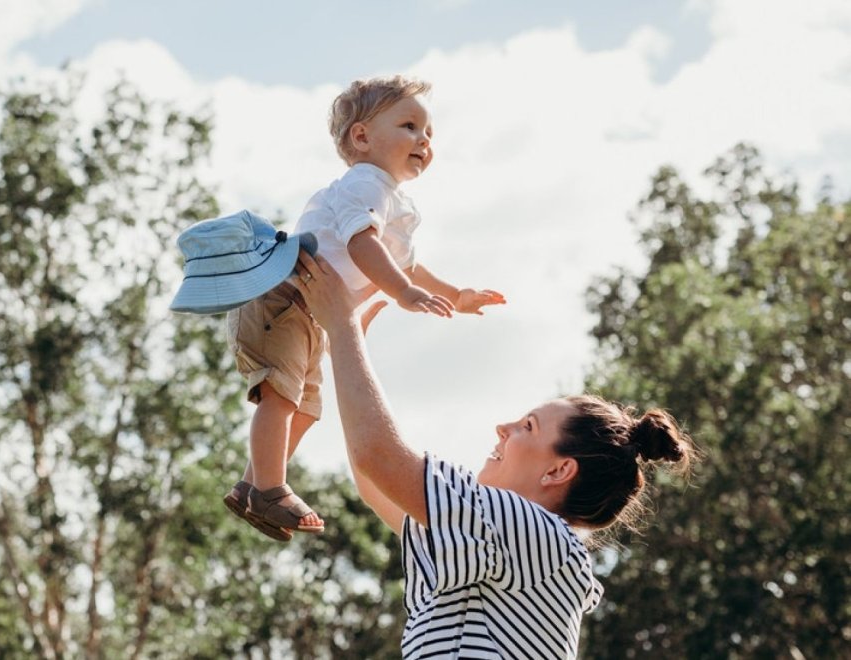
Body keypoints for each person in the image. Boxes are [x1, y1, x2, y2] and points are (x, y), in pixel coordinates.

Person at [290, 251, 698, 658]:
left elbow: (378, 458)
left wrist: (342, 327)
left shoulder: (537, 532)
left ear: (558, 470)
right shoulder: (518, 545)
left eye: (528, 427)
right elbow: (376, 480)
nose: (503, 429)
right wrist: (344, 348)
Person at [222, 75, 506, 541]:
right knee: (281, 395)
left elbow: (408, 265)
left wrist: (456, 295)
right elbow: (362, 246)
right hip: (283, 297)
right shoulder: (364, 184)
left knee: (307, 408)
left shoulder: (394, 200)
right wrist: (401, 292)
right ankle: (270, 487)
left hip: (311, 313)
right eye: (410, 126)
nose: (424, 140)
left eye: (429, 133)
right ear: (362, 136)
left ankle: (254, 485)